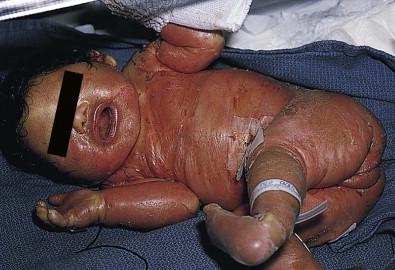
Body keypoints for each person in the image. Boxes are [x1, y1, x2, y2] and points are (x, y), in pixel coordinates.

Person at [0, 23, 386, 269]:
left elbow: (205, 39)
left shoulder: (148, 70)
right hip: (321, 215)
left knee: (277, 151)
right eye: (61, 141)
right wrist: (104, 207)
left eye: (71, 97)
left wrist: (157, 19)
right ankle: (277, 240)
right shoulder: (124, 179)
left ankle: (267, 223)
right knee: (269, 243)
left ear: (99, 60)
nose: (79, 121)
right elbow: (182, 202)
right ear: (67, 175)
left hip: (333, 135)